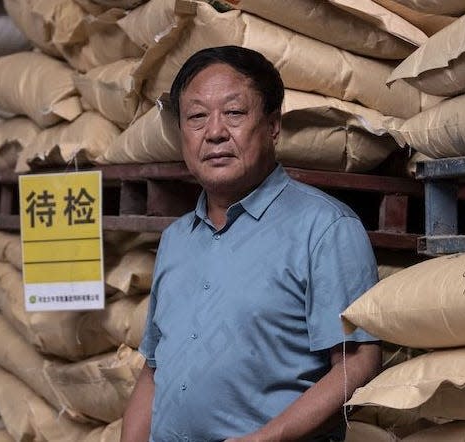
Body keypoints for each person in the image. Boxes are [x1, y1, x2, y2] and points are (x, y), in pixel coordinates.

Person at [121, 46, 382, 442]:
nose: (214, 132)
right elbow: (154, 370)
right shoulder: (176, 240)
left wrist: (268, 438)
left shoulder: (324, 228)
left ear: (273, 125)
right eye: (196, 117)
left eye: (234, 113)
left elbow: (359, 362)